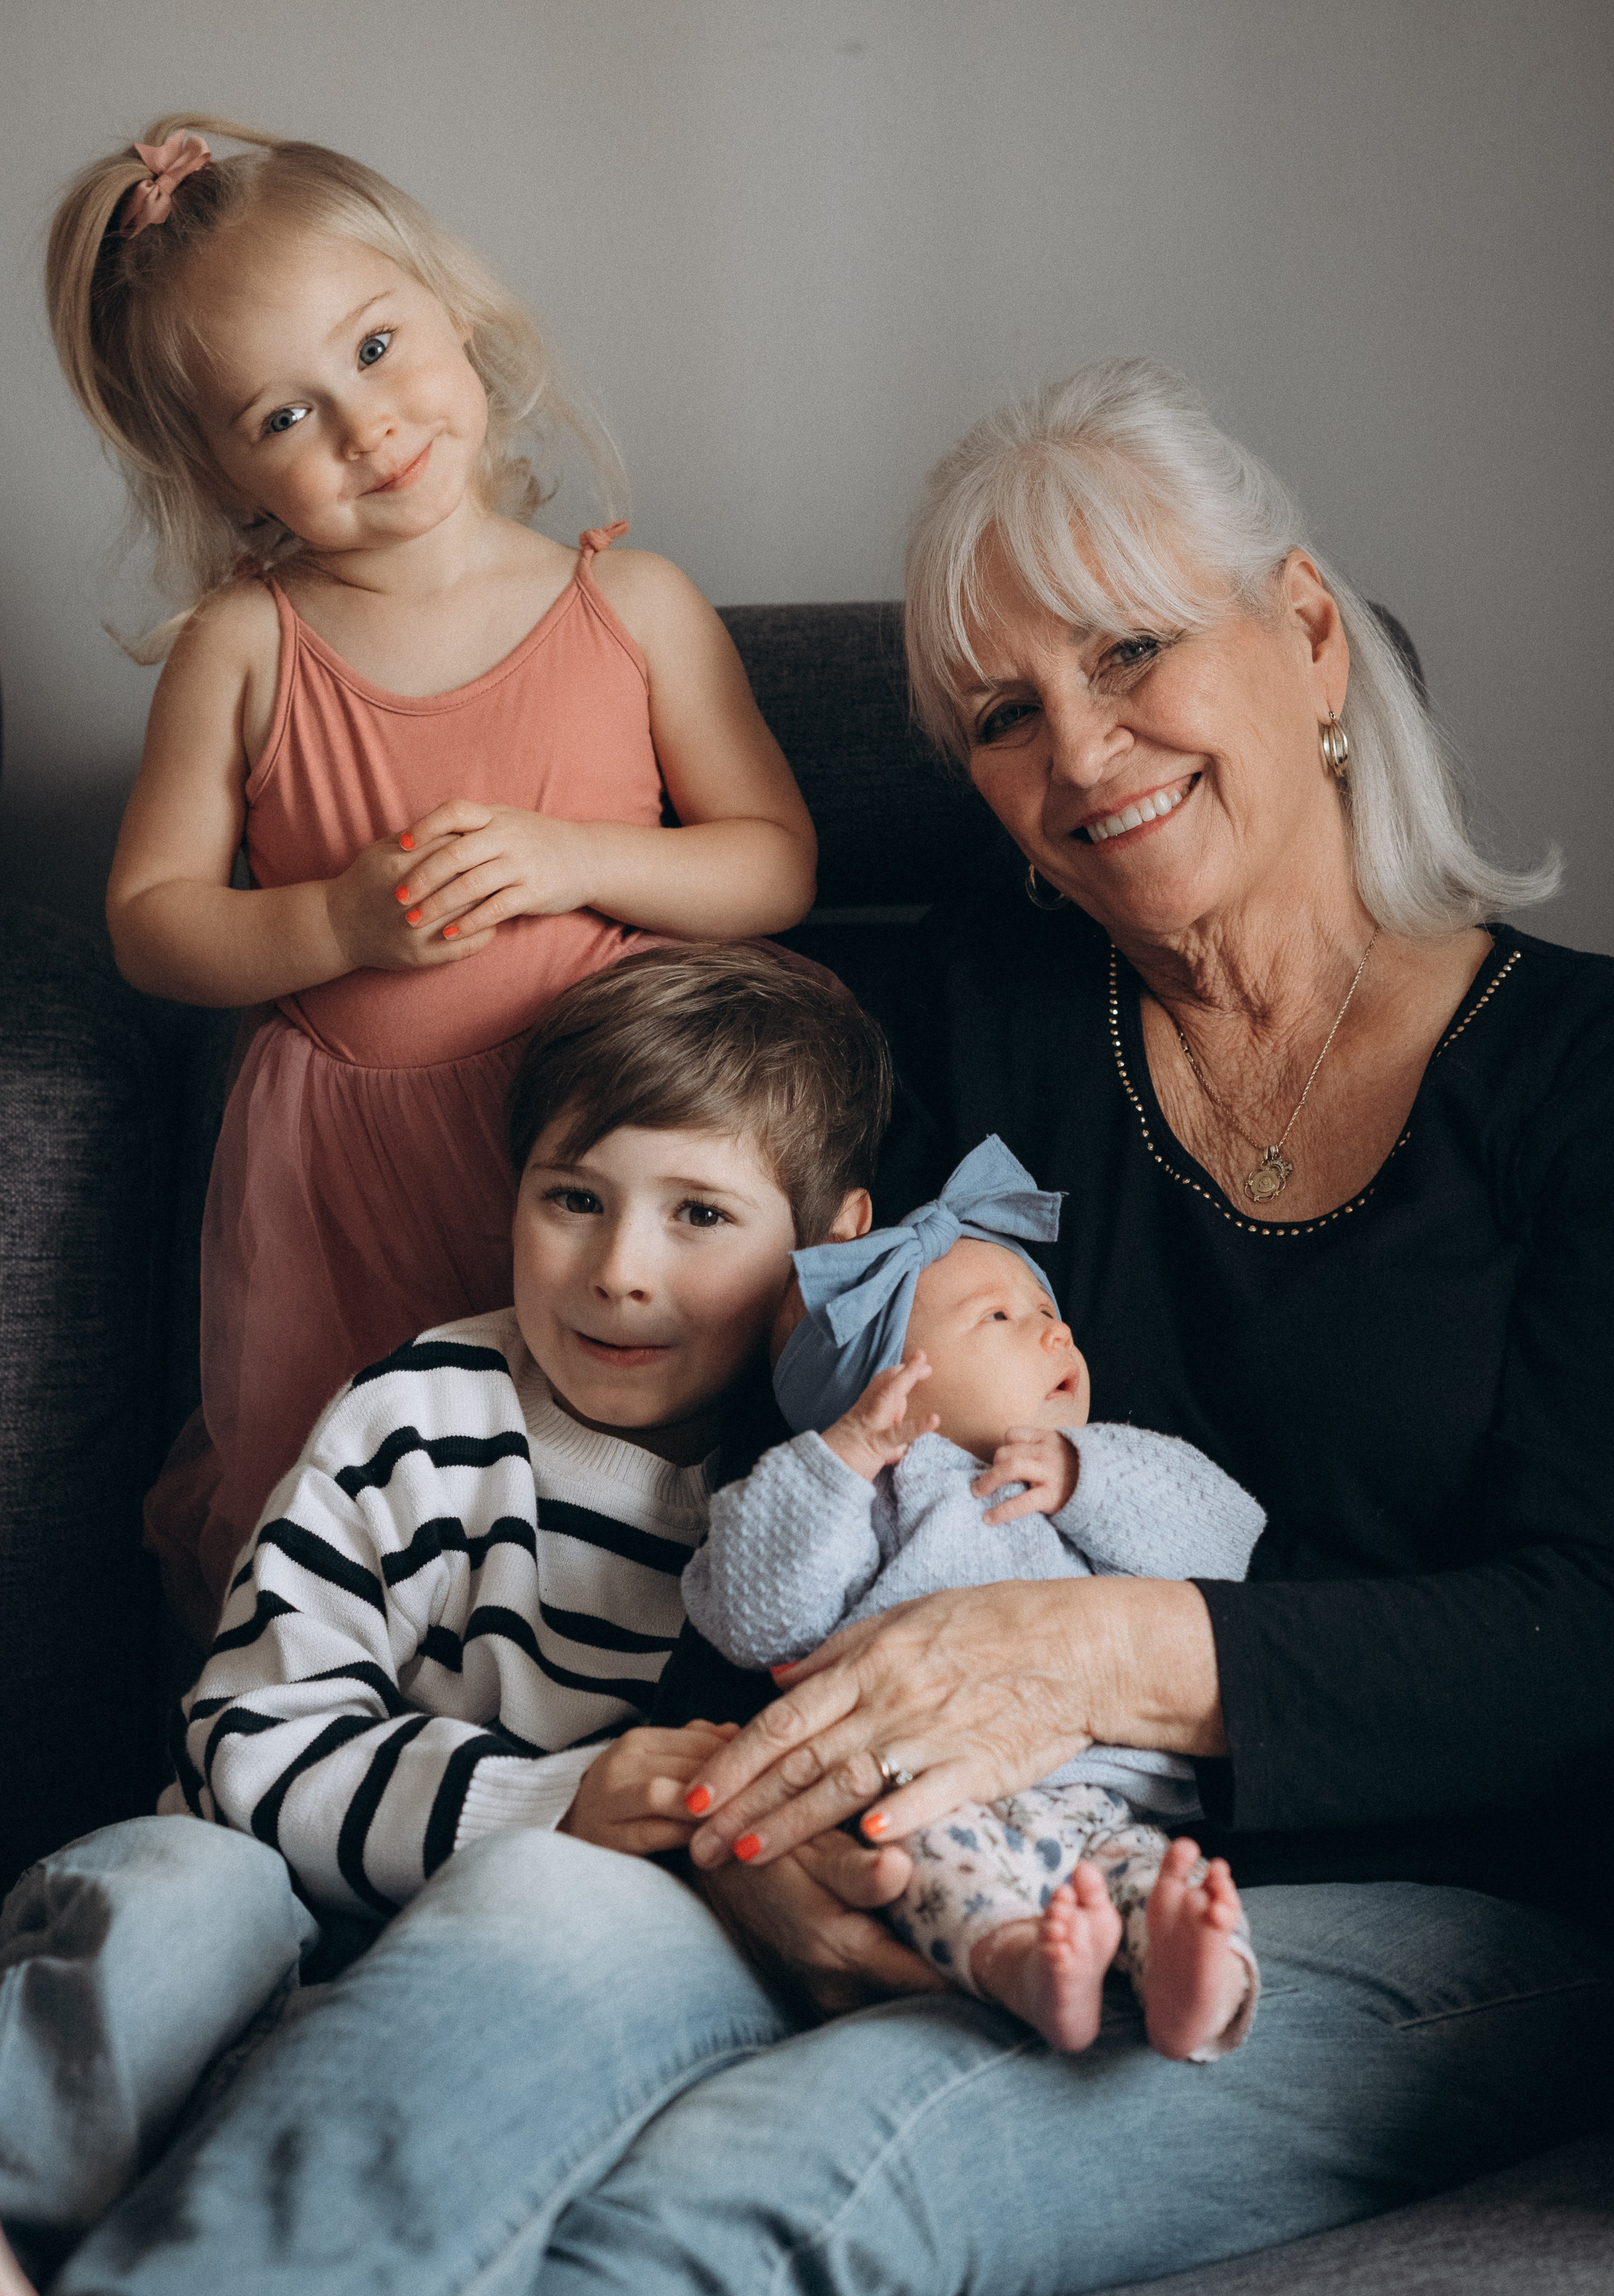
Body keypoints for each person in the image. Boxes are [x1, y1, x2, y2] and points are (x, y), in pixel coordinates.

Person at [32, 361, 1614, 2296]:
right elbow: (796, 1435)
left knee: (739, 2192)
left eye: (1134, 649)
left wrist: (1111, 1647)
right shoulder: (991, 1014)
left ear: (1304, 634)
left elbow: (1586, 1631)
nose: (1086, 754)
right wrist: (758, 1824)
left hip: (1429, 1906)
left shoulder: (1578, 1079)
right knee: (533, 1923)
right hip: (928, 1828)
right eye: (1003, 719)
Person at [0, 945, 891, 2280]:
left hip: (496, 2016)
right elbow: (244, 1741)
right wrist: (546, 1803)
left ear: (829, 1248)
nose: (618, 1270)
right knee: (181, 1895)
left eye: (699, 1216)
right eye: (573, 1199)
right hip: (284, 1888)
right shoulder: (422, 1414)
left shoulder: (824, 1487)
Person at [44, 118, 817, 1642]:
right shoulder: (244, 646)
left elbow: (774, 865)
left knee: (622, 1505)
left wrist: (575, 859)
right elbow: (150, 922)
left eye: (380, 346)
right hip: (345, 1175)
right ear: (215, 465)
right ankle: (344, 1793)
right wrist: (333, 920)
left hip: (606, 1140)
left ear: (455, 312)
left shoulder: (633, 606)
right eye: (283, 415)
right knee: (361, 1529)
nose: (366, 426)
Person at [683, 1135, 1264, 2058]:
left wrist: (1087, 1476)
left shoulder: (1094, 1470)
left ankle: (1197, 1982)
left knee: (1163, 1880)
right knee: (927, 1866)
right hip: (920, 1787)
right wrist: (839, 1463)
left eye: (1048, 1309)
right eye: (999, 1317)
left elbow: (1225, 1546)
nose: (1054, 1331)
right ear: (888, 1389)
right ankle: (1026, 1968)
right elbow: (756, 1616)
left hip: (1096, 1800)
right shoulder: (860, 1499)